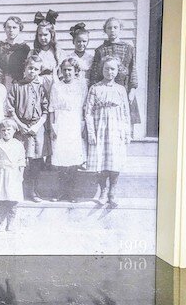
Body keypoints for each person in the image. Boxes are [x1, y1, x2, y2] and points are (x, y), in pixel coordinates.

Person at [85, 56, 132, 206]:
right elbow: (88, 112)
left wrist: (126, 132)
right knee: (101, 161)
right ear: (102, 69)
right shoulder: (95, 88)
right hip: (99, 129)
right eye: (106, 68)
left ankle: (113, 190)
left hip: (115, 129)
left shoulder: (121, 89)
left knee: (114, 161)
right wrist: (91, 133)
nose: (109, 72)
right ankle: (103, 190)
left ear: (117, 71)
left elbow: (125, 112)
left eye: (113, 69)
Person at [6, 55, 49, 202]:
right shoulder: (17, 86)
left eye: (36, 69)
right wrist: (19, 124)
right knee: (21, 161)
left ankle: (33, 190)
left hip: (37, 128)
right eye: (30, 68)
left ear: (39, 71)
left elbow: (46, 110)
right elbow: (10, 109)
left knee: (35, 161)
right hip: (20, 128)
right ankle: (19, 190)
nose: (32, 71)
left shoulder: (41, 87)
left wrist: (37, 126)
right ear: (25, 68)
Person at [88, 17, 141, 127]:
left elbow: (133, 70)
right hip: (105, 91)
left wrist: (132, 90)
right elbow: (94, 74)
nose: (112, 30)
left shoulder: (129, 48)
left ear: (120, 29)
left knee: (124, 123)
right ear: (105, 30)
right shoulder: (100, 50)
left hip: (124, 89)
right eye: (109, 28)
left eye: (115, 27)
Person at [48, 58, 87, 202]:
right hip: (60, 122)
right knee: (61, 158)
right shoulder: (56, 86)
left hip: (75, 123)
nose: (67, 72)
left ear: (76, 71)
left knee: (73, 159)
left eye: (70, 69)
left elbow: (84, 108)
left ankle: (71, 192)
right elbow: (51, 108)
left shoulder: (81, 86)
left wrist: (83, 127)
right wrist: (52, 128)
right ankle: (61, 191)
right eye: (64, 70)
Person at [0, 119, 26, 232]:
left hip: (13, 174)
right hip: (1, 173)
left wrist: (20, 175)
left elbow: (21, 161)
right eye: (3, 130)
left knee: (13, 198)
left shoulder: (18, 144)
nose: (6, 132)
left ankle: (11, 221)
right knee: (2, 198)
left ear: (14, 131)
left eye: (9, 130)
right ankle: (2, 220)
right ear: (0, 132)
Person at [0, 16, 30, 89]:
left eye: (14, 27)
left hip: (19, 83)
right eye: (8, 27)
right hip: (1, 83)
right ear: (5, 29)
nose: (11, 30)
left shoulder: (24, 48)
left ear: (20, 29)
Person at [31, 10, 63, 92]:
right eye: (40, 35)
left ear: (51, 35)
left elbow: (62, 75)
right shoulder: (33, 53)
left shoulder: (58, 52)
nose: (42, 38)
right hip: (37, 87)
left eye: (45, 35)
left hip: (54, 86)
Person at [66, 22, 93, 87]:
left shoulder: (91, 58)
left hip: (87, 87)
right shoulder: (69, 58)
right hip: (73, 87)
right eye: (78, 41)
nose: (81, 44)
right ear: (73, 41)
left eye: (84, 41)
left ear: (88, 42)